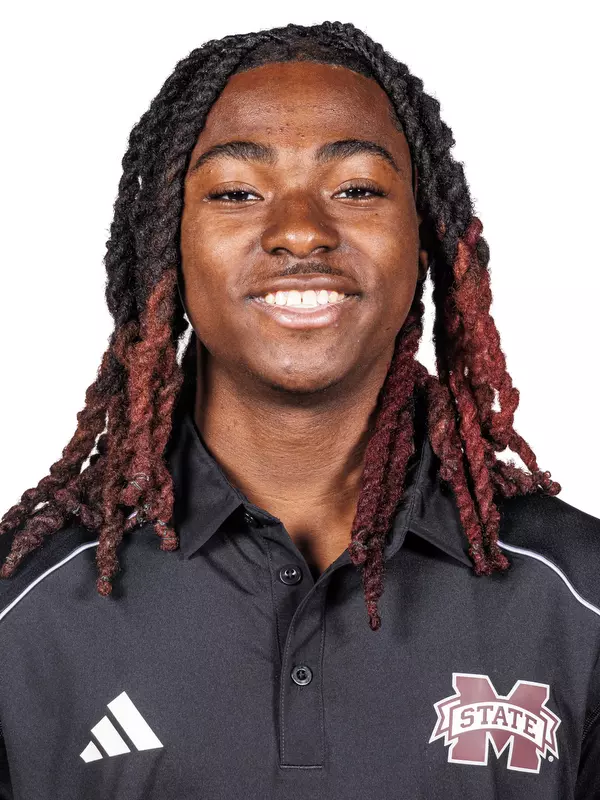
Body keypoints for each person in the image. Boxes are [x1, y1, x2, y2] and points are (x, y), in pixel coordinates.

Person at [0, 20, 598, 800]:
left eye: (356, 188)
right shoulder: (26, 613)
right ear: (167, 250)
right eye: (237, 193)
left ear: (426, 239)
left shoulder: (577, 596)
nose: (301, 232)